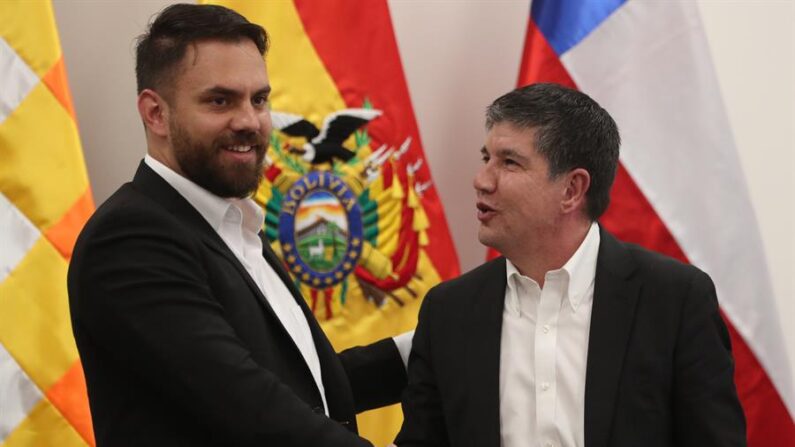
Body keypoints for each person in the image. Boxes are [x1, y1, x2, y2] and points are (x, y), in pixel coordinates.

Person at [67, 4, 407, 446]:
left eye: (259, 99)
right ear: (155, 113)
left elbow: (302, 388)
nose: (249, 121)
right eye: (219, 100)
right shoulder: (131, 240)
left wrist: (428, 346)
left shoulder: (231, 224)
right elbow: (249, 407)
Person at [395, 83, 746, 447]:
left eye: (509, 162)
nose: (481, 180)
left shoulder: (674, 300)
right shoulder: (449, 310)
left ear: (572, 190)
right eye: (486, 158)